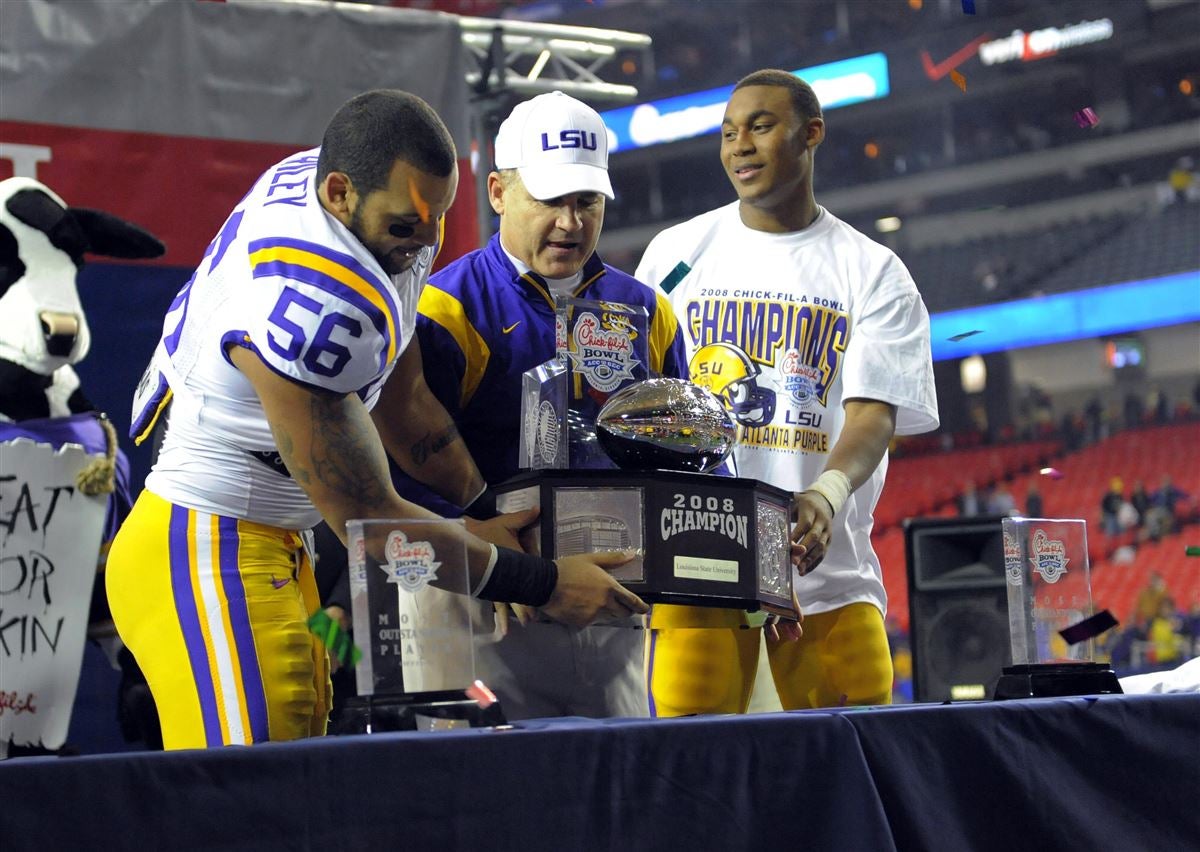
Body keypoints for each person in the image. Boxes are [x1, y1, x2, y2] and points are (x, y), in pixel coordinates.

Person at [105, 90, 647, 750]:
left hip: (279, 542)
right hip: (208, 548)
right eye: (405, 227)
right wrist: (547, 583)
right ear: (337, 193)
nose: (421, 243)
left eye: (437, 220)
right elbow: (372, 526)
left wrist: (483, 506)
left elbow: (398, 396)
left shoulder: (361, 192)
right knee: (247, 803)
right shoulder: (317, 300)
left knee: (304, 782)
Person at [636, 69, 939, 715]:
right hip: (698, 569)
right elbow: (646, 404)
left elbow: (872, 412)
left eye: (760, 125)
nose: (739, 145)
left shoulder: (873, 270)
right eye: (727, 133)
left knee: (852, 774)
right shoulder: (675, 255)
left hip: (826, 576)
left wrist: (826, 494)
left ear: (812, 134)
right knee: (694, 777)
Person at [391, 91, 689, 719]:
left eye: (587, 202)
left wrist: (750, 571)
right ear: (497, 192)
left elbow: (687, 461)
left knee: (618, 796)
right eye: (551, 199)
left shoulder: (648, 311)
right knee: (474, 802)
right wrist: (481, 549)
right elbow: (397, 473)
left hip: (610, 601)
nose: (571, 222)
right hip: (474, 602)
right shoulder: (440, 310)